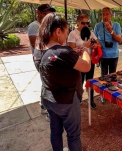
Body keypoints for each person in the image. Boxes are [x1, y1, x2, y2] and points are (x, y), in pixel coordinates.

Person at [33, 13, 91, 151]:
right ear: (58, 31)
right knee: (73, 136)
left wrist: (72, 54)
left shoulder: (38, 50)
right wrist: (86, 51)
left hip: (48, 98)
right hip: (67, 101)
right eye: (66, 33)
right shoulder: (64, 52)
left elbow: (55, 64)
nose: (66, 37)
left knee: (56, 131)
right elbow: (86, 66)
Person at [68, 13, 101, 109]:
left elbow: (99, 44)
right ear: (78, 22)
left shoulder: (90, 32)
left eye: (87, 23)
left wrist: (95, 45)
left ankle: (91, 100)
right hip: (78, 62)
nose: (86, 25)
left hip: (89, 61)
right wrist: (83, 46)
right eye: (83, 23)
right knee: (79, 82)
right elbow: (70, 50)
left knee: (90, 81)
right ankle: (78, 99)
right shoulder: (72, 34)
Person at [28, 4, 56, 118]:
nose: (48, 15)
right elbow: (37, 45)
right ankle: (47, 109)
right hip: (41, 59)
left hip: (50, 57)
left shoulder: (48, 26)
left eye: (50, 13)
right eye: (45, 13)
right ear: (38, 13)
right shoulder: (34, 26)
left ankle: (45, 106)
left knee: (49, 82)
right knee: (48, 83)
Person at [93, 7, 122, 103]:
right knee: (104, 76)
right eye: (103, 14)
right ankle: (103, 95)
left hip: (114, 55)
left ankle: (112, 93)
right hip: (103, 55)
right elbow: (94, 39)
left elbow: (119, 40)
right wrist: (97, 44)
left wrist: (111, 31)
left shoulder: (116, 25)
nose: (105, 16)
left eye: (107, 14)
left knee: (113, 75)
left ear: (111, 15)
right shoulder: (98, 26)